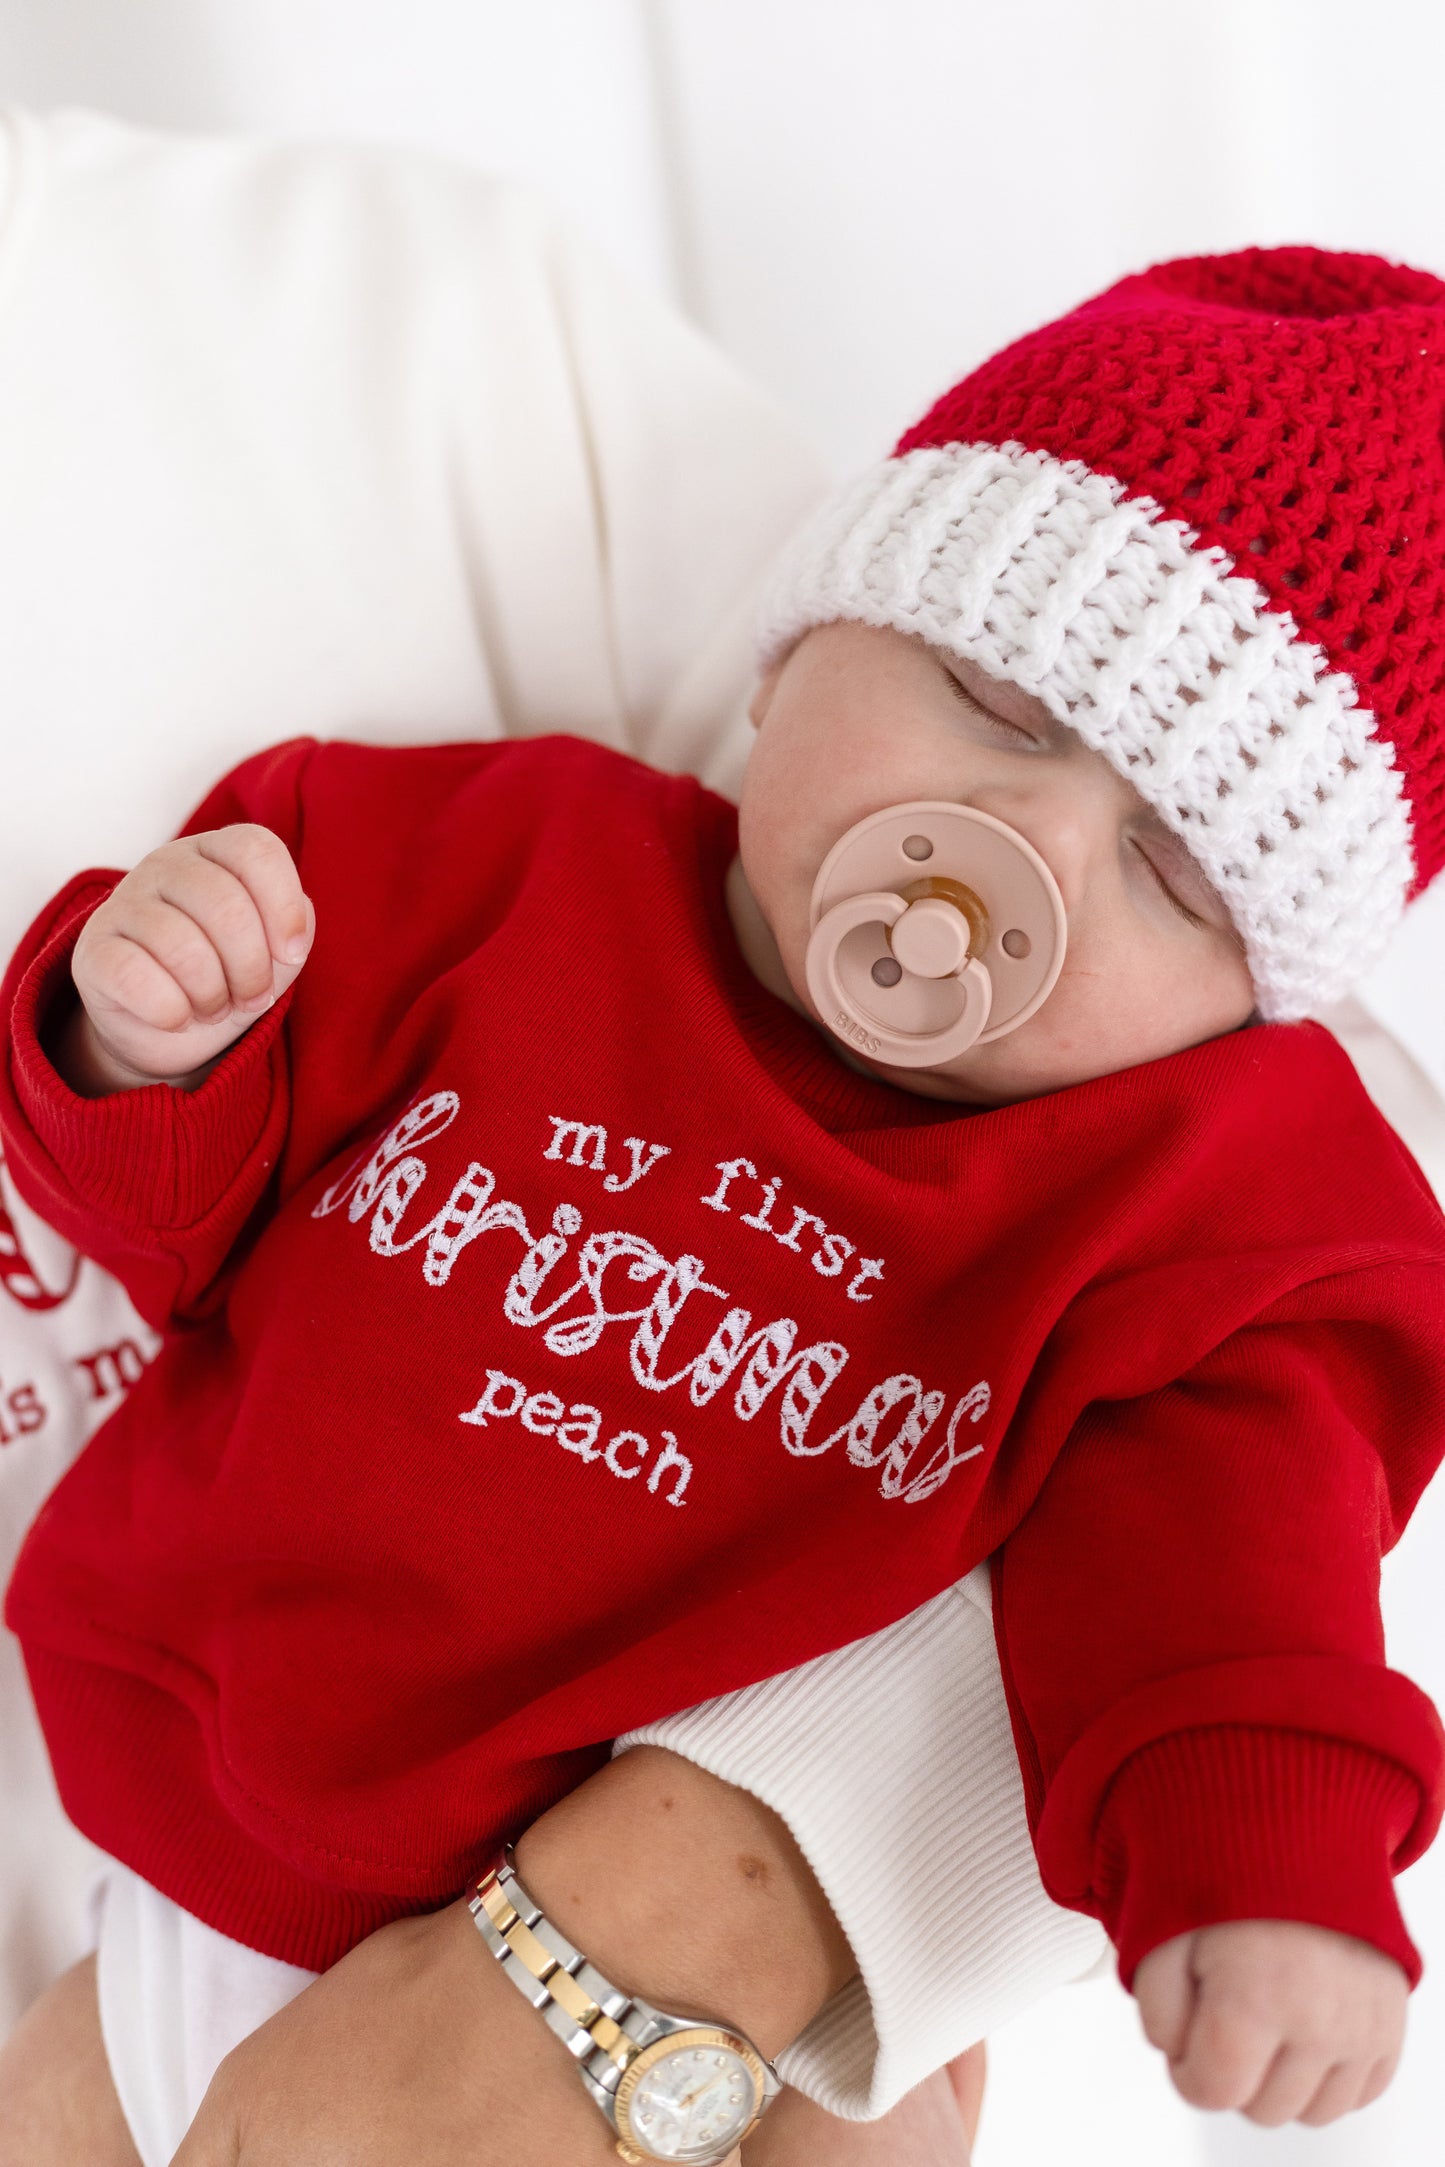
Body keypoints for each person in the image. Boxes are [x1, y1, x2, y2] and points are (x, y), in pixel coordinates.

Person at [2, 246, 1444, 2167]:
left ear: (1254, 998)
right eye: (993, 710)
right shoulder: (481, 867)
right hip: (198, 1870)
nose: (1019, 859)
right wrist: (146, 1045)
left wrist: (1264, 1865)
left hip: (760, 2035)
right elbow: (174, 1234)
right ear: (799, 646)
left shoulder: (1187, 1202)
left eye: (1173, 874)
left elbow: (1227, 1574)